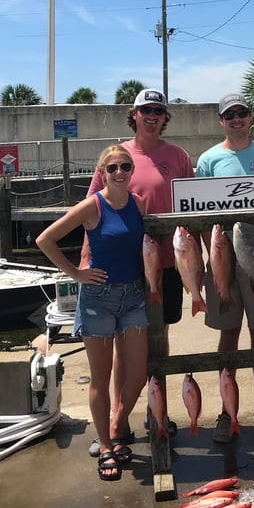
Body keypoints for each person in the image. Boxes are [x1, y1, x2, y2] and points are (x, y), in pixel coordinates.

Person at [84, 88, 194, 453]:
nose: (152, 115)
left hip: (168, 261)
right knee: (121, 347)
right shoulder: (117, 156)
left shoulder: (178, 156)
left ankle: (155, 410)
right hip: (123, 266)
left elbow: (192, 207)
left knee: (157, 340)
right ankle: (121, 416)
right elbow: (91, 211)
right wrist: (86, 261)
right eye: (145, 110)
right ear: (133, 114)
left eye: (158, 110)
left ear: (165, 117)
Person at [36, 145, 149, 481]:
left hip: (133, 296)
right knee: (100, 377)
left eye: (125, 166)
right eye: (112, 167)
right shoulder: (92, 205)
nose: (119, 172)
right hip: (98, 297)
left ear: (131, 171)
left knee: (138, 375)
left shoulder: (137, 203)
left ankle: (117, 423)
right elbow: (46, 239)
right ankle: (105, 446)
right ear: (102, 172)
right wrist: (76, 273)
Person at [196, 92, 254, 443]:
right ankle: (226, 410)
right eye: (229, 114)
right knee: (228, 337)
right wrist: (214, 256)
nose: (236, 119)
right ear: (221, 120)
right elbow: (199, 215)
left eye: (242, 113)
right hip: (225, 259)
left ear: (250, 117)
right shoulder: (208, 160)